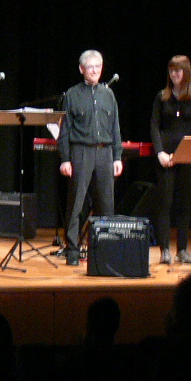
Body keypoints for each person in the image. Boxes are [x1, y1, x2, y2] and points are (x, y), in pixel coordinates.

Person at [57, 50, 123, 266]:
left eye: (98, 66)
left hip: (105, 152)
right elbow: (65, 131)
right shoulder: (72, 95)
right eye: (90, 67)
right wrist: (65, 159)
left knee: (106, 205)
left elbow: (115, 128)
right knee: (76, 204)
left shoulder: (108, 94)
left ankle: (105, 251)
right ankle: (72, 251)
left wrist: (117, 157)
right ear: (81, 69)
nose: (95, 70)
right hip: (81, 152)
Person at [149, 55, 191, 265]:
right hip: (165, 157)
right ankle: (165, 249)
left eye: (178, 70)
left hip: (187, 156)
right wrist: (160, 152)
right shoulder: (161, 96)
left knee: (184, 202)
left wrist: (181, 153)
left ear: (186, 72)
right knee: (165, 202)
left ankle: (182, 249)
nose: (174, 74)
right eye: (171, 70)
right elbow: (154, 126)